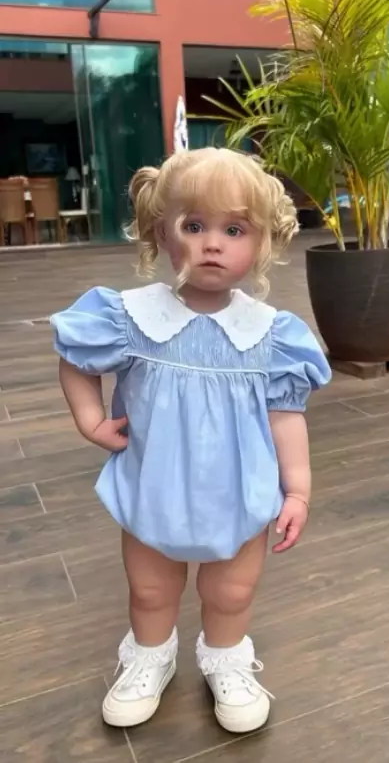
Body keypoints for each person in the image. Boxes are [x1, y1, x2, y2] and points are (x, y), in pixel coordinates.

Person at [50, 147, 331, 735]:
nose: (212, 244)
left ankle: (226, 658)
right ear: (162, 232)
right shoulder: (131, 318)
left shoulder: (270, 335)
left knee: (231, 591)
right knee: (150, 590)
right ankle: (150, 655)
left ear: (262, 242)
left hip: (240, 495)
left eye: (234, 230)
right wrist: (90, 419)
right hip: (153, 489)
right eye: (194, 226)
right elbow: (75, 354)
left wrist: (298, 490)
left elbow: (286, 415)